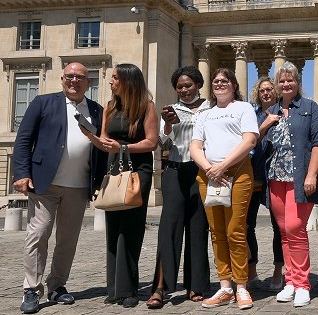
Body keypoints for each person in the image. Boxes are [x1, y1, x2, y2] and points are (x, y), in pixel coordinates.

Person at [13, 62, 107, 314]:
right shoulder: (43, 103)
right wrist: (21, 173)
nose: (74, 81)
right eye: (70, 76)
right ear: (62, 79)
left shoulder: (97, 110)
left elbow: (101, 148)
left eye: (80, 77)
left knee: (68, 240)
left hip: (78, 186)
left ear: (89, 83)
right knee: (38, 234)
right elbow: (23, 140)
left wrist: (98, 182)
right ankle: (31, 289)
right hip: (44, 183)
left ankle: (57, 286)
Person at [84, 63, 159, 308]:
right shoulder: (109, 107)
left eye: (115, 77)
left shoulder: (146, 106)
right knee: (113, 228)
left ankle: (129, 290)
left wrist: (123, 147)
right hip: (114, 170)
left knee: (131, 229)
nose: (110, 81)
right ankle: (114, 288)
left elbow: (151, 143)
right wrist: (93, 138)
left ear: (128, 81)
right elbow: (106, 142)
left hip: (138, 172)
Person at [189, 68, 258, 310]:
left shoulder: (243, 108)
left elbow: (249, 140)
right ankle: (225, 286)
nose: (219, 84)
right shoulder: (205, 114)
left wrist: (223, 167)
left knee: (235, 231)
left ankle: (241, 286)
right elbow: (195, 146)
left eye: (224, 81)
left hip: (237, 175)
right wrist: (210, 169)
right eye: (216, 81)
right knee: (216, 232)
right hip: (209, 177)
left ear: (233, 84)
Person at [145, 66, 211, 309]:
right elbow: (162, 143)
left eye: (188, 85)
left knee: (197, 228)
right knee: (168, 229)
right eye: (180, 87)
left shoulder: (211, 108)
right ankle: (160, 287)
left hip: (201, 170)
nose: (184, 90)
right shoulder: (171, 111)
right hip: (175, 170)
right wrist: (168, 125)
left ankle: (196, 284)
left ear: (198, 85)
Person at [264, 61, 318, 308]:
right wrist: (265, 124)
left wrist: (312, 175)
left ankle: (302, 284)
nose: (286, 83)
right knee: (283, 231)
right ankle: (290, 280)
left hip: (300, 178)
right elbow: (258, 142)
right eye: (281, 80)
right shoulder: (272, 111)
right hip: (275, 178)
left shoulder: (310, 108)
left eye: (290, 79)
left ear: (298, 82)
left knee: (295, 228)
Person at [247, 77, 284, 291]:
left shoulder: (283, 111)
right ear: (257, 93)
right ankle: (251, 272)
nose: (266, 93)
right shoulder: (252, 114)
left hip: (276, 177)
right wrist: (265, 124)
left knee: (278, 227)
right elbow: (249, 142)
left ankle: (278, 272)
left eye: (270, 89)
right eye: (262, 90)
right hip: (253, 176)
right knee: (247, 226)